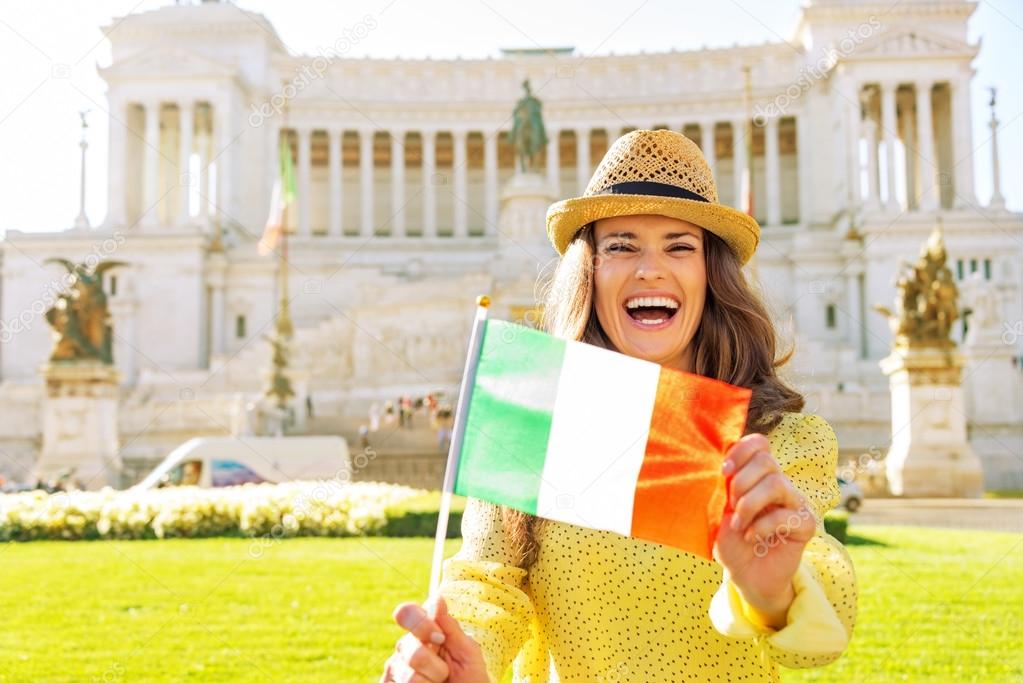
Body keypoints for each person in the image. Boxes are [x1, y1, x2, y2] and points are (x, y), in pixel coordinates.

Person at [382, 130, 857, 682]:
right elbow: (483, 589)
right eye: (621, 245)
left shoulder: (778, 440)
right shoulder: (533, 419)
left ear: (712, 274)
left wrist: (775, 590)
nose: (649, 269)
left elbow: (819, 640)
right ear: (589, 272)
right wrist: (453, 661)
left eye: (679, 246)